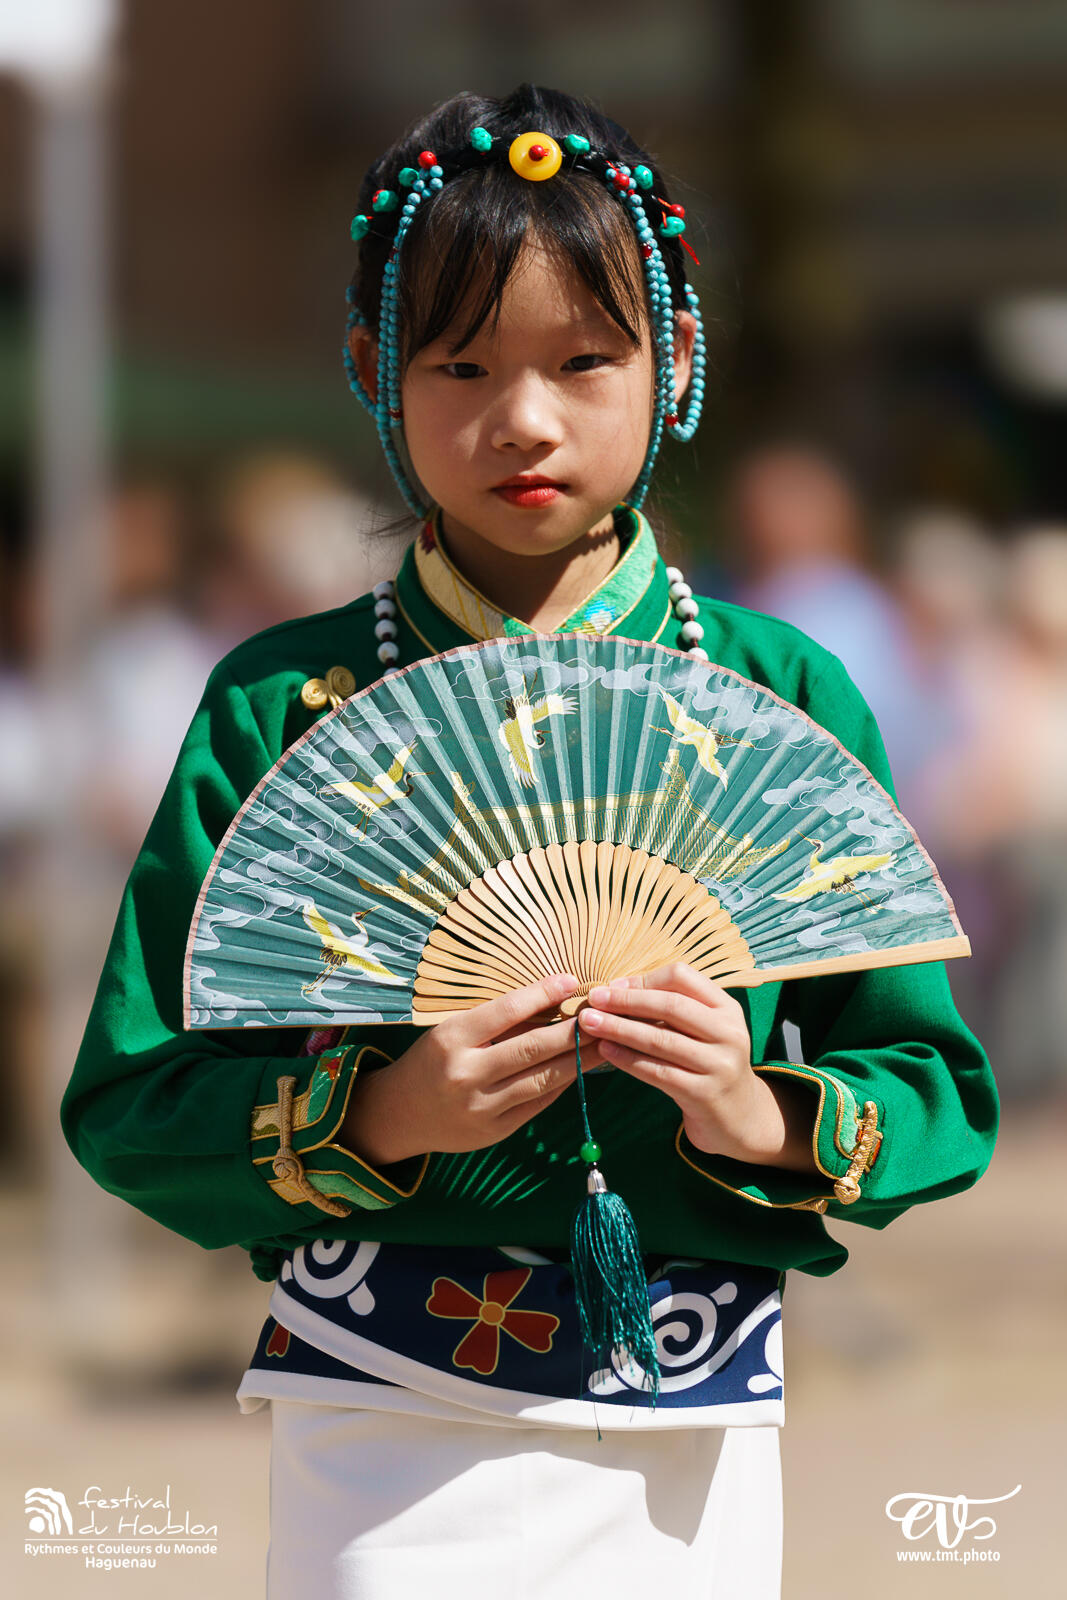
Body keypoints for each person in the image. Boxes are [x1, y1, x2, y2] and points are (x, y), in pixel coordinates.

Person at [59, 84, 1000, 1598]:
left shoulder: (779, 694)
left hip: (692, 1421)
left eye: (584, 360)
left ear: (674, 359)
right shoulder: (283, 704)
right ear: (372, 370)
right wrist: (382, 1115)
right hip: (375, 1405)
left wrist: (754, 1110)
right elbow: (132, 1098)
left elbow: (931, 1087)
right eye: (461, 364)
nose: (525, 420)